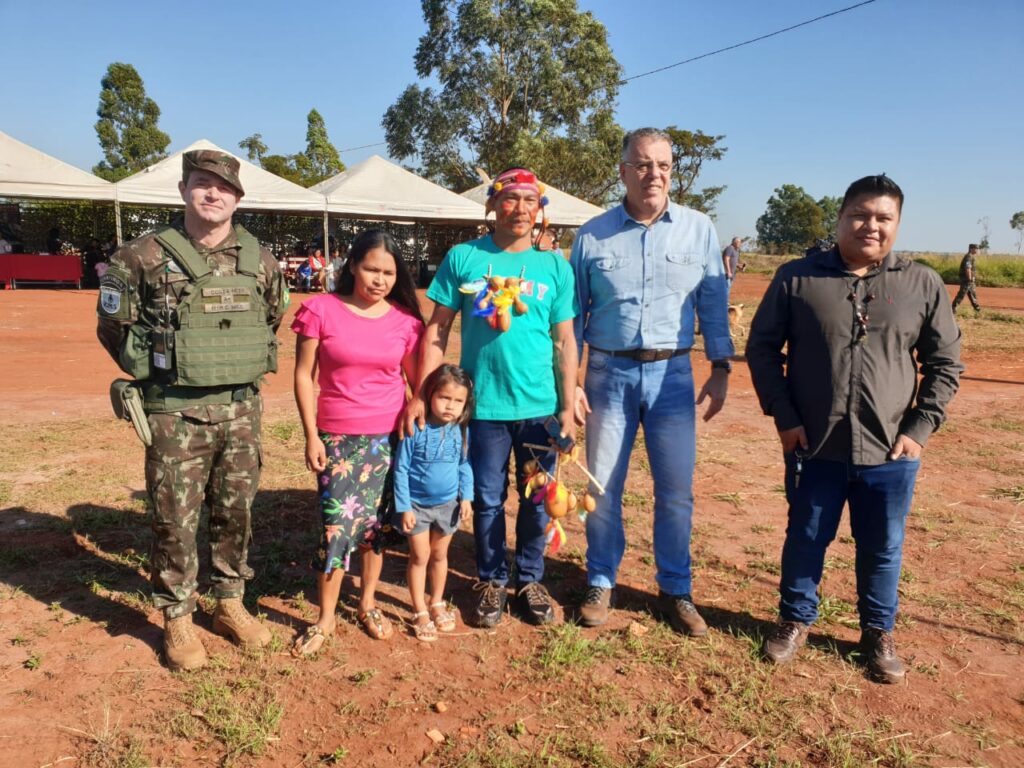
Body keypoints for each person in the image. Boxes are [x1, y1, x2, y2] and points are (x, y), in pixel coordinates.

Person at [745, 175, 963, 683]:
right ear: (840, 218)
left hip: (891, 449)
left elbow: (945, 363)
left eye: (883, 218)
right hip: (813, 443)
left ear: (897, 224)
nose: (871, 226)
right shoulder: (797, 278)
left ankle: (877, 631)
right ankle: (796, 618)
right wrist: (785, 418)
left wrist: (920, 426)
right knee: (805, 534)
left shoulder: (921, 283)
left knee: (883, 544)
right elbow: (761, 350)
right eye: (860, 215)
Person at [96, 150, 286, 671]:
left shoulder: (260, 258)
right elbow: (112, 326)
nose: (212, 194)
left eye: (223, 188)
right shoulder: (141, 255)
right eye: (202, 183)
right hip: (174, 413)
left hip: (240, 411)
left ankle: (229, 602)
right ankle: (177, 616)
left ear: (237, 198)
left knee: (237, 512)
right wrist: (167, 369)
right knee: (173, 518)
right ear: (183, 189)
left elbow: (272, 317)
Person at [571, 127, 733, 634]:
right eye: (642, 164)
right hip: (607, 375)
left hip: (674, 377)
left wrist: (721, 365)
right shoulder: (592, 234)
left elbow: (712, 301)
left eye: (663, 165)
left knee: (676, 491)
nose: (653, 174)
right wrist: (569, 383)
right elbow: (572, 316)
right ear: (622, 171)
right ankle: (600, 578)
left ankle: (676, 588)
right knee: (602, 485)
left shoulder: (699, 229)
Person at [405, 166, 578, 628]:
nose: (519, 209)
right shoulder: (464, 258)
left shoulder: (555, 267)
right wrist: (425, 392)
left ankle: (530, 580)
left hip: (540, 408)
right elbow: (437, 329)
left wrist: (566, 405)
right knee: (485, 498)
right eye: (510, 198)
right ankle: (490, 580)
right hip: (481, 408)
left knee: (539, 498)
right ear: (492, 204)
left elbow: (564, 340)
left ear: (540, 209)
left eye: (529, 200)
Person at [291, 229, 423, 655]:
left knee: (376, 529)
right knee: (336, 528)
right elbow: (302, 376)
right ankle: (326, 618)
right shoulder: (320, 310)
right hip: (337, 439)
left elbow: (415, 382)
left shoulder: (406, 322)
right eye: (371, 269)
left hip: (389, 440)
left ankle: (367, 604)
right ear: (352, 266)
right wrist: (312, 435)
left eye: (388, 272)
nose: (379, 279)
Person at [394, 364, 475, 641]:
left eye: (458, 401)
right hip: (416, 507)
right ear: (429, 395)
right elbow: (401, 469)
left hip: (448, 507)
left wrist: (467, 497)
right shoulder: (415, 427)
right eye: (444, 398)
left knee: (440, 556)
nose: (450, 406)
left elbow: (465, 465)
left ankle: (437, 602)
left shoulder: (461, 430)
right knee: (420, 557)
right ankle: (419, 610)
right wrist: (403, 506)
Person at [951, 243, 981, 313]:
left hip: (969, 280)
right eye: (976, 249)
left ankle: (977, 309)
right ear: (971, 249)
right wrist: (969, 278)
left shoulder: (971, 257)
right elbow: (968, 268)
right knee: (962, 293)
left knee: (972, 294)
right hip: (967, 280)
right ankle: (953, 308)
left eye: (977, 249)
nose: (977, 250)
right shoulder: (968, 257)